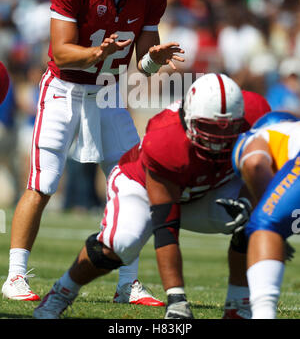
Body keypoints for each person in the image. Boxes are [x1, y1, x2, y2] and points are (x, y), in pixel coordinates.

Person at [2, 0, 185, 305]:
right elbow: (62, 52)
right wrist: (95, 53)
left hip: (108, 93)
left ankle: (129, 283)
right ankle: (15, 275)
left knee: (136, 183)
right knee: (42, 183)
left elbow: (143, 63)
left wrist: (154, 58)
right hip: (64, 90)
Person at [32, 73, 271, 319]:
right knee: (121, 243)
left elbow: (262, 169)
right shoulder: (166, 141)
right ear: (188, 118)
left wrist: (252, 204)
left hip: (205, 189)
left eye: (228, 129)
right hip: (141, 185)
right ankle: (62, 291)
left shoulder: (257, 113)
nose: (218, 141)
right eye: (208, 128)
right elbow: (166, 227)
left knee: (253, 215)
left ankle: (237, 305)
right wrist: (176, 298)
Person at [231, 110, 300, 319]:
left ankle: (263, 314)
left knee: (263, 224)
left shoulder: (258, 135)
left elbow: (255, 164)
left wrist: (273, 222)